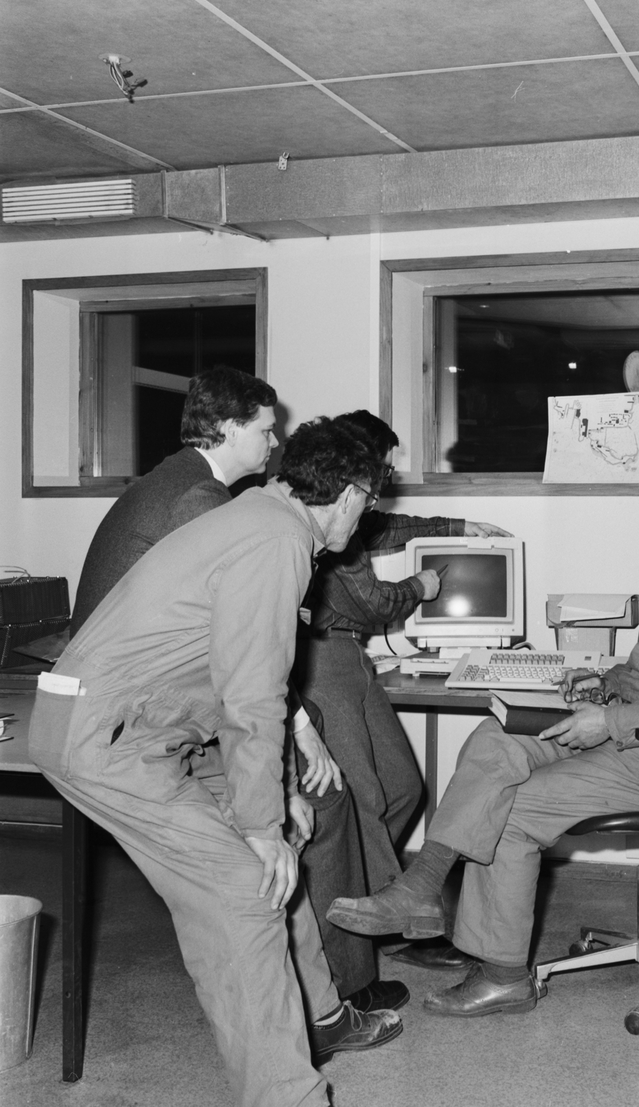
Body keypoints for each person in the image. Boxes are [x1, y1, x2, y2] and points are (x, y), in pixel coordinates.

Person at [30, 418, 405, 1107]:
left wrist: (277, 799)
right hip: (105, 737)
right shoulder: (276, 541)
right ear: (351, 494)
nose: (367, 515)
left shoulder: (265, 516)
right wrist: (260, 825)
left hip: (156, 727)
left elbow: (247, 671)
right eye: (371, 501)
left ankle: (321, 1016)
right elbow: (252, 694)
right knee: (248, 888)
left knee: (277, 857)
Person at [326, 472, 639, 1017]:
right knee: (497, 737)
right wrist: (603, 682)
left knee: (512, 808)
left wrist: (607, 721)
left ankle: (504, 976)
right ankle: (422, 885)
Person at [293, 409, 510, 983]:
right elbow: (372, 604)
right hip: (320, 660)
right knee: (360, 798)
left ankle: (373, 901)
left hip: (350, 656)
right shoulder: (330, 522)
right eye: (382, 474)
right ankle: (358, 944)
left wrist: (458, 526)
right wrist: (422, 585)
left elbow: (391, 527)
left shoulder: (355, 516)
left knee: (403, 786)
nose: (386, 486)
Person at [71, 365, 279, 635]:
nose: (274, 442)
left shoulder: (183, 474)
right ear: (231, 431)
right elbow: (240, 599)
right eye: (266, 431)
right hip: (121, 658)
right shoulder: (198, 492)